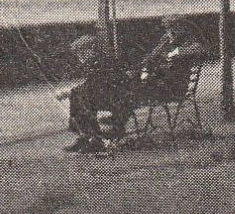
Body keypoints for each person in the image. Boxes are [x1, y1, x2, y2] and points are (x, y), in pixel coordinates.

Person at [57, 17, 208, 153]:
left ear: (182, 27)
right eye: (167, 28)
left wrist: (174, 53)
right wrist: (142, 67)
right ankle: (91, 135)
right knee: (87, 94)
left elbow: (200, 48)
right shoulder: (166, 40)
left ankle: (102, 132)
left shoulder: (187, 40)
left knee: (99, 92)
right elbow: (150, 57)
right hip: (150, 84)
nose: (170, 32)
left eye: (173, 28)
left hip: (168, 88)